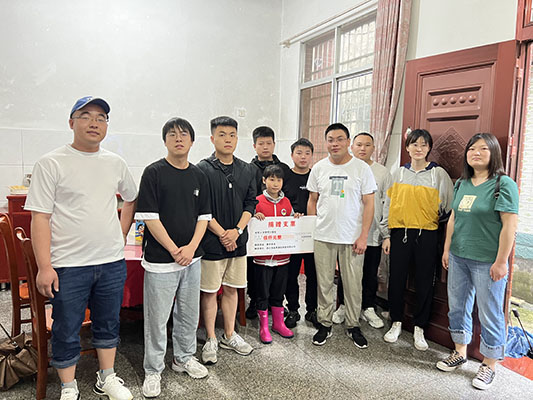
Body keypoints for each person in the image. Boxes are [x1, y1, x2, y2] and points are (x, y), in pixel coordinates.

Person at [25, 96, 137, 400]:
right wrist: (45, 266)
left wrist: (121, 232)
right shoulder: (51, 163)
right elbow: (40, 218)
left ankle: (107, 377)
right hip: (68, 264)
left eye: (101, 118)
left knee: (108, 322)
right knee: (66, 326)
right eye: (86, 116)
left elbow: (131, 197)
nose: (94, 123)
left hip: (111, 261)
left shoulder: (115, 162)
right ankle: (68, 386)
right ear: (71, 122)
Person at [135, 118, 211, 398]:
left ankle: (183, 358)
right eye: (172, 134)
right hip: (160, 260)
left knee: (188, 313)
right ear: (164, 140)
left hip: (192, 258)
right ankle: (153, 369)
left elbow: (204, 217)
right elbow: (149, 217)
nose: (178, 138)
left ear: (192, 140)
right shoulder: (153, 173)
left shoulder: (199, 174)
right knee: (157, 318)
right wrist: (173, 249)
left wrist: (190, 248)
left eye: (184, 134)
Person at [437, 133, 518, 390]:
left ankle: (489, 364)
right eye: (472, 149)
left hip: (488, 261)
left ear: (494, 153)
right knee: (457, 306)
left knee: (489, 312)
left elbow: (509, 226)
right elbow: (453, 218)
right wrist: (447, 249)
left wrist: (501, 261)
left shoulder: (503, 184)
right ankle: (459, 351)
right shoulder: (462, 183)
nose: (476, 153)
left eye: (483, 149)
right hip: (459, 256)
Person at [381, 129, 453, 351]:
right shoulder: (398, 173)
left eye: (423, 144)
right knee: (397, 279)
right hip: (399, 233)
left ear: (429, 148)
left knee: (424, 281)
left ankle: (420, 327)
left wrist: (426, 218)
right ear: (407, 147)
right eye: (414, 144)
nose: (419, 148)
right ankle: (396, 321)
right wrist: (386, 235)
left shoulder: (438, 174)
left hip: (427, 234)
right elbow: (387, 205)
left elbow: (448, 207)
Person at [307, 123, 376, 348]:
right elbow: (312, 201)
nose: (334, 144)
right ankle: (324, 323)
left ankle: (353, 325)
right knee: (324, 283)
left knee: (353, 284)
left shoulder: (361, 168)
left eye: (339, 139)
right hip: (323, 236)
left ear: (348, 142)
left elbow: (369, 203)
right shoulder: (319, 168)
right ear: (325, 142)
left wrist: (364, 236)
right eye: (330, 140)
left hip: (352, 237)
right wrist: (313, 229)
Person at [197, 116, 257, 364]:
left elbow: (251, 203)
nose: (228, 139)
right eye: (222, 135)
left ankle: (229, 334)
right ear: (212, 138)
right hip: (212, 242)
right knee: (210, 291)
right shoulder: (202, 169)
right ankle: (211, 337)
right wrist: (223, 233)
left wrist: (237, 231)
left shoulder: (247, 169)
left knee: (233, 289)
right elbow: (201, 208)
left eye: (232, 135)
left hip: (238, 242)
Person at [333, 133, 392, 329]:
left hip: (372, 232)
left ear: (374, 148)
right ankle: (343, 306)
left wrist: (386, 232)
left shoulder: (383, 173)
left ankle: (368, 307)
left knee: (369, 272)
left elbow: (387, 203)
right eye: (359, 144)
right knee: (346, 271)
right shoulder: (344, 168)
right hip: (348, 232)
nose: (363, 148)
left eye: (367, 145)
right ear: (352, 146)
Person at [246, 126, 291, 320]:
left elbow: (289, 197)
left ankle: (277, 304)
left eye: (269, 143)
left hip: (279, 229)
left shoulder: (284, 169)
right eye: (261, 143)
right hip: (257, 228)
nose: (265, 147)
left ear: (274, 144)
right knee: (255, 269)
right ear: (254, 145)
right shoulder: (248, 169)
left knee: (281, 270)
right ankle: (255, 301)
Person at [253, 165, 300, 343]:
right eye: (271, 179)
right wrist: (254, 218)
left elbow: (292, 225)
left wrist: (295, 219)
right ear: (264, 180)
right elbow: (250, 225)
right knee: (262, 293)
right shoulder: (257, 201)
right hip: (262, 259)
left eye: (278, 180)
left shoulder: (286, 202)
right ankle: (264, 327)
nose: (275, 183)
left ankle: (278, 324)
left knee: (278, 292)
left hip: (282, 258)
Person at [283, 138, 318, 328]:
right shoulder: (285, 176)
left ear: (312, 155)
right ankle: (293, 309)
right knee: (291, 274)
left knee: (313, 274)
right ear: (292, 155)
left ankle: (312, 309)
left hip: (314, 233)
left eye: (307, 153)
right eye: (299, 153)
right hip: (291, 234)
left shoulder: (316, 175)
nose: (303, 157)